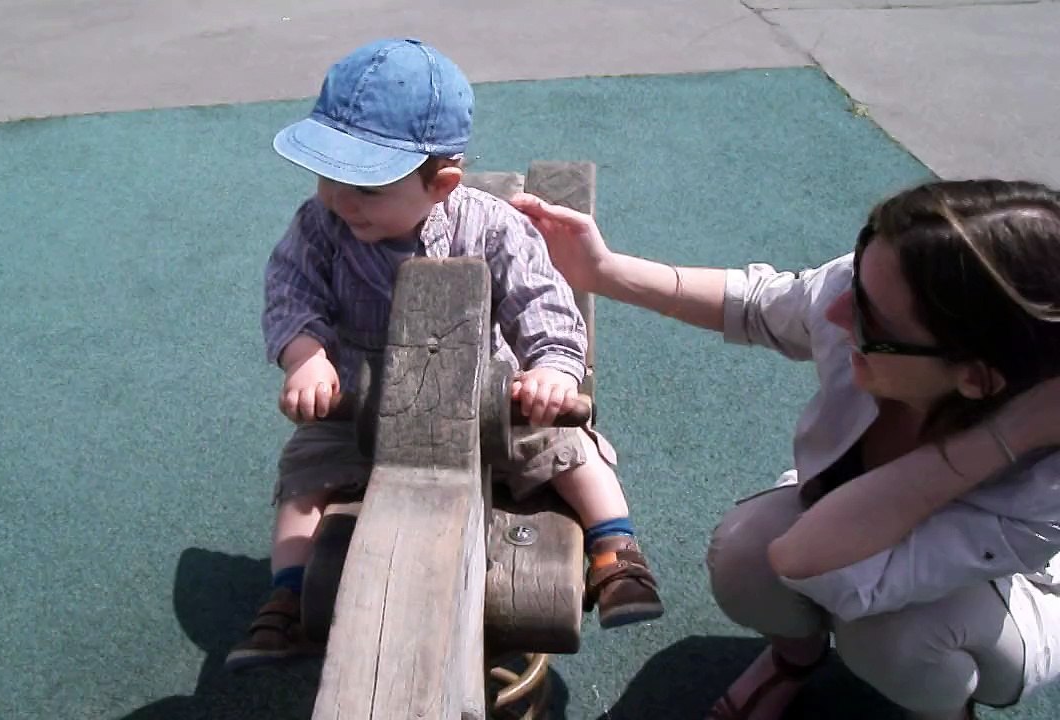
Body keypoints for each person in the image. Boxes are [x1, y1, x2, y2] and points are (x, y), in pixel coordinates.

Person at [510, 179, 1060, 719]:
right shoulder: (880, 296)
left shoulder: (1044, 487)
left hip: (1001, 596)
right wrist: (601, 270)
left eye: (869, 315)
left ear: (977, 380)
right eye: (857, 275)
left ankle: (943, 711)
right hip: (846, 527)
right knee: (742, 552)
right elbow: (759, 304)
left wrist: (999, 440)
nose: (839, 311)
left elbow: (805, 556)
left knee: (894, 634)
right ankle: (793, 661)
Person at [223, 38, 663, 673]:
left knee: (571, 449)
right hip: (366, 407)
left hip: (486, 400)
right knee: (303, 476)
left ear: (442, 183)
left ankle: (615, 547)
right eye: (329, 177)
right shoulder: (321, 228)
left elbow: (545, 307)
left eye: (366, 188)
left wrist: (553, 373)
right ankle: (287, 596)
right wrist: (306, 356)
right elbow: (291, 292)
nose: (341, 201)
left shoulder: (491, 227)